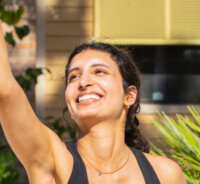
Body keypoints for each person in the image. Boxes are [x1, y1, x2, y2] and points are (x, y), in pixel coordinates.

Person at [0, 21, 186, 184]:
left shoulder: (165, 174)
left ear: (129, 95)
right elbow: (4, 91)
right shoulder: (54, 161)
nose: (83, 82)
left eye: (99, 72)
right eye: (74, 77)